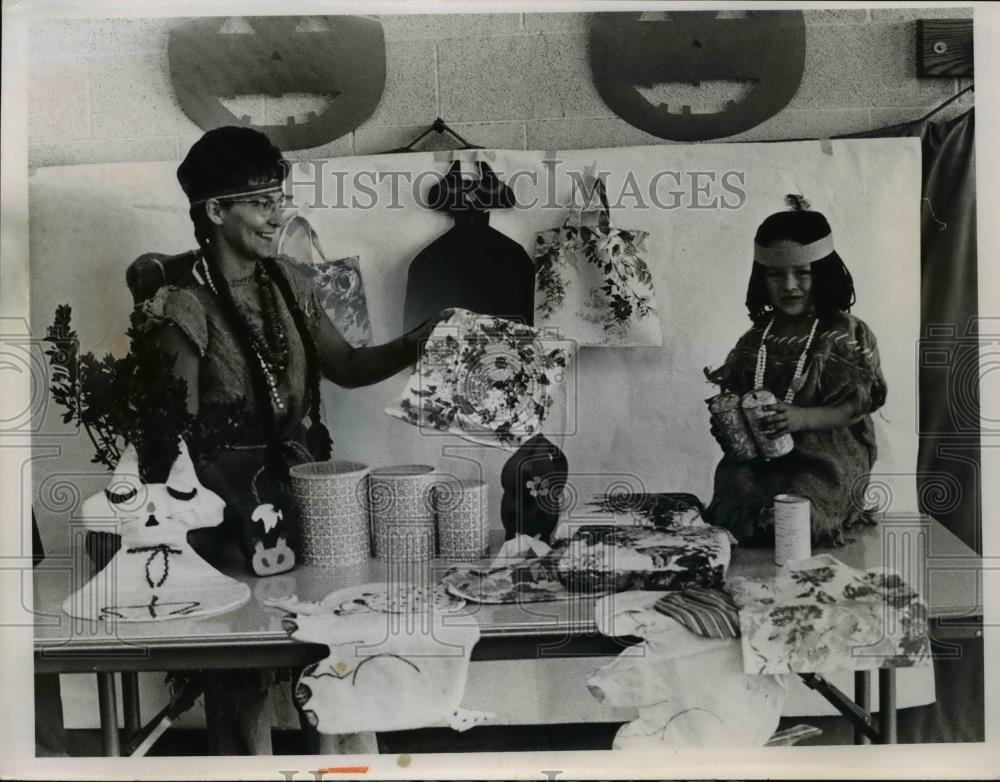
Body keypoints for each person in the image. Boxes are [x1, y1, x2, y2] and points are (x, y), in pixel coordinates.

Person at [130, 126, 448, 753]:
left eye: (281, 196)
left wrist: (419, 340)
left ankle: (339, 769)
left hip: (309, 490)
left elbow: (348, 367)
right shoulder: (181, 304)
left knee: (329, 650)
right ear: (216, 211)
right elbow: (167, 436)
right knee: (241, 666)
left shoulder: (295, 281)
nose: (279, 214)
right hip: (222, 505)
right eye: (261, 201)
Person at [704, 195, 887, 547]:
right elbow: (740, 396)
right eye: (775, 274)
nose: (789, 285)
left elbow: (859, 404)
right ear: (762, 279)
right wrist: (731, 428)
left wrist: (801, 418)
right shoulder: (755, 338)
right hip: (760, 459)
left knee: (802, 504)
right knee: (735, 487)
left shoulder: (846, 334)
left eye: (802, 273)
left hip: (822, 455)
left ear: (823, 274)